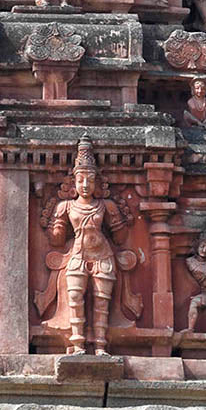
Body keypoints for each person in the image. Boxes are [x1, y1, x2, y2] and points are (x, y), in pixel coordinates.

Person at [44, 135, 131, 355]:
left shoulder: (106, 205)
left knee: (102, 302)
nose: (85, 185)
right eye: (80, 179)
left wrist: (120, 216)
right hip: (78, 255)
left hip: (102, 256)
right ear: (73, 182)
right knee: (75, 297)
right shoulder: (66, 206)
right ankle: (78, 344)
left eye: (90, 180)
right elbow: (56, 240)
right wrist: (54, 220)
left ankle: (101, 345)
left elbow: (120, 238)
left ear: (97, 183)